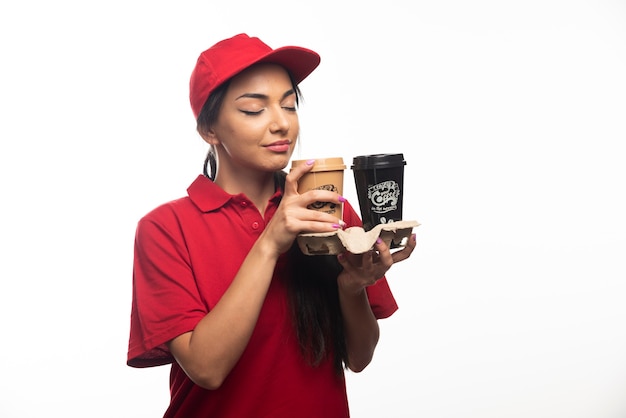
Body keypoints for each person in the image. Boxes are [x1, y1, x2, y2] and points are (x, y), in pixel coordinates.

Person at [127, 33, 417, 418]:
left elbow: (359, 357)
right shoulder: (165, 228)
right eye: (253, 110)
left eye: (290, 105)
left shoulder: (328, 209)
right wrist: (269, 243)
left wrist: (352, 286)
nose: (282, 124)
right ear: (209, 130)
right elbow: (206, 369)